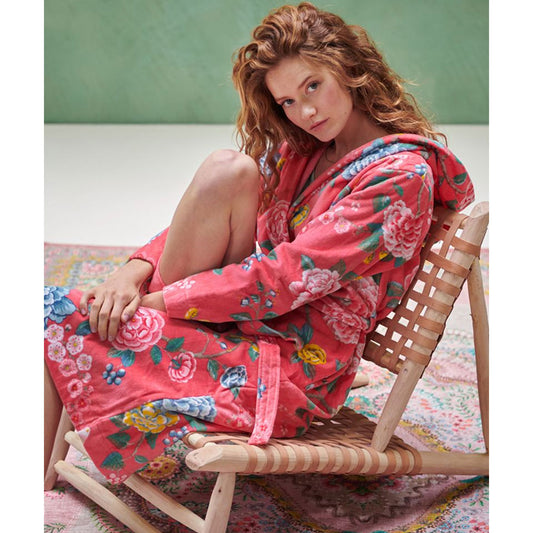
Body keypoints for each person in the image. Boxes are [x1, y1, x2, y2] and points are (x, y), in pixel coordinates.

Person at [44, 2, 475, 486]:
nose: (305, 112)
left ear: (349, 68)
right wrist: (131, 272)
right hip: (249, 324)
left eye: (313, 85)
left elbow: (285, 276)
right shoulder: (304, 152)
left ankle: (33, 481)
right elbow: (211, 219)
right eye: (288, 101)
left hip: (289, 368)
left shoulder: (400, 178)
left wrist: (155, 305)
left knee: (57, 314)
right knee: (227, 169)